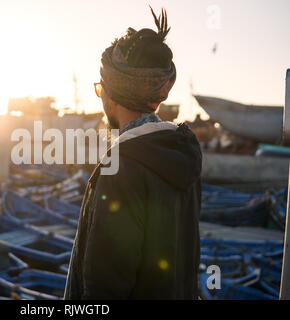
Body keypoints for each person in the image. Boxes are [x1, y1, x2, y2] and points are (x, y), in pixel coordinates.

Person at [64, 7, 202, 299]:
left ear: (113, 95)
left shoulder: (122, 167)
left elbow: (104, 291)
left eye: (101, 89)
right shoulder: (182, 155)